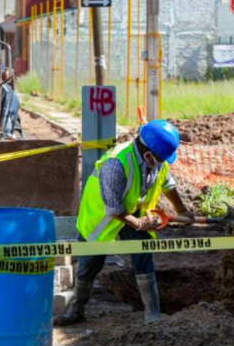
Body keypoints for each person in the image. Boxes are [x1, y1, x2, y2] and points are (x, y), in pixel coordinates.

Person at [54, 120, 195, 326]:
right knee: (90, 264)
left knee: (143, 254)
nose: (163, 162)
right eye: (161, 158)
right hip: (101, 216)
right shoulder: (116, 164)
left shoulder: (157, 159)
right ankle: (76, 310)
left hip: (133, 209)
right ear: (148, 155)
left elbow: (167, 183)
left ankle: (153, 315)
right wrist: (139, 223)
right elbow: (114, 209)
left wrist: (183, 211)